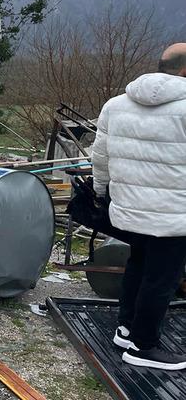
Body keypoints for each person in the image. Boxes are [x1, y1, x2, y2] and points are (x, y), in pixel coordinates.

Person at [92, 42, 186, 370]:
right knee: (162, 279)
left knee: (138, 265)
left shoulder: (116, 104)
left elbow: (100, 157)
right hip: (174, 214)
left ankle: (126, 328)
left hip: (129, 208)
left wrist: (101, 192)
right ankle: (144, 346)